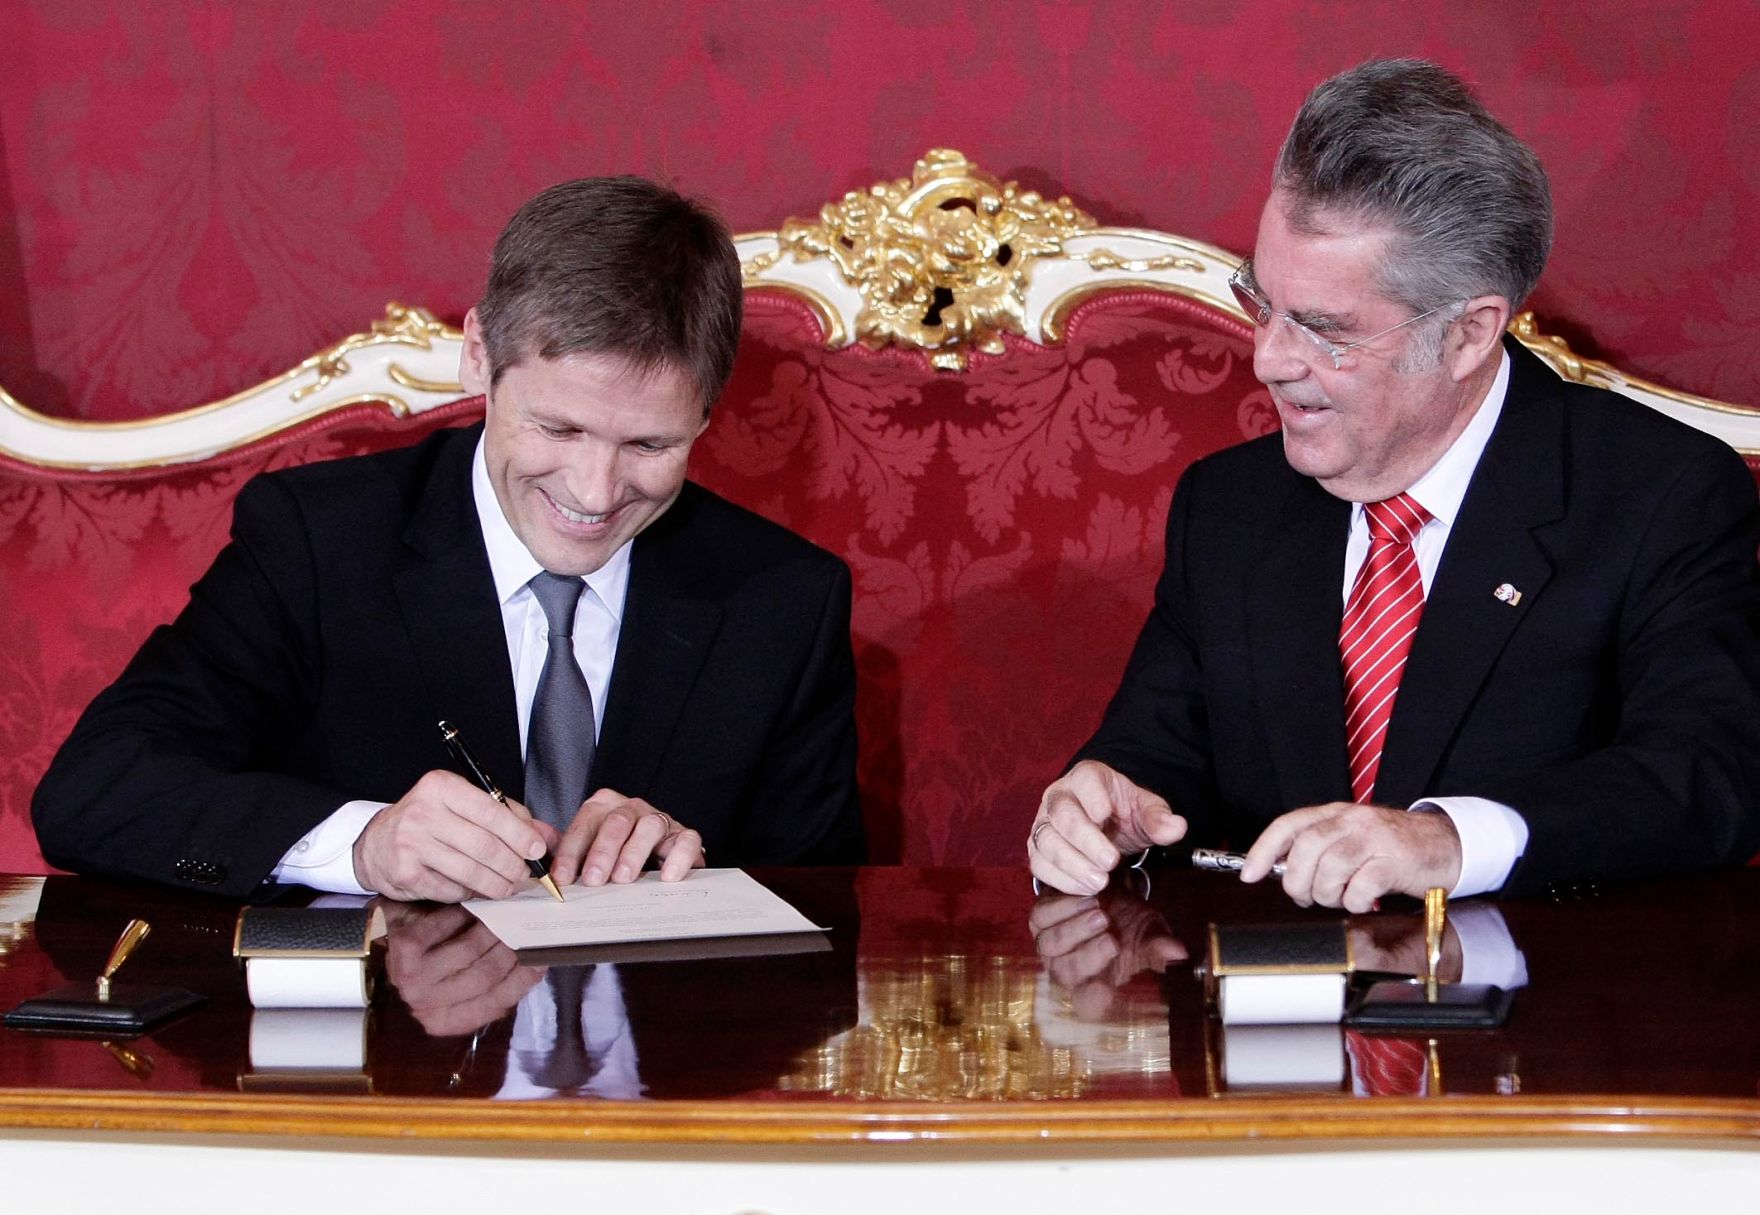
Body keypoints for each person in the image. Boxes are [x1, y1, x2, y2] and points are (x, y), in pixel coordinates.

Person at [1028, 59, 1760, 911]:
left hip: (1542, 1016)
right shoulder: (1228, 508)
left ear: (1467, 335)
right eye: (1262, 302)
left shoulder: (1657, 496)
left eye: (1325, 330)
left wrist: (1445, 841)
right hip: (1280, 1023)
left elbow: (1707, 779)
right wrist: (1104, 798)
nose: (1269, 359)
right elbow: (1158, 758)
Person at [33, 176, 865, 901]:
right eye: (558, 427)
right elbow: (95, 791)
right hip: (382, 1060)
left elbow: (827, 919)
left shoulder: (785, 602)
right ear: (476, 357)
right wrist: (363, 845)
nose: (595, 491)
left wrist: (697, 865)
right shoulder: (317, 543)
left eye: (650, 445)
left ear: (707, 415)